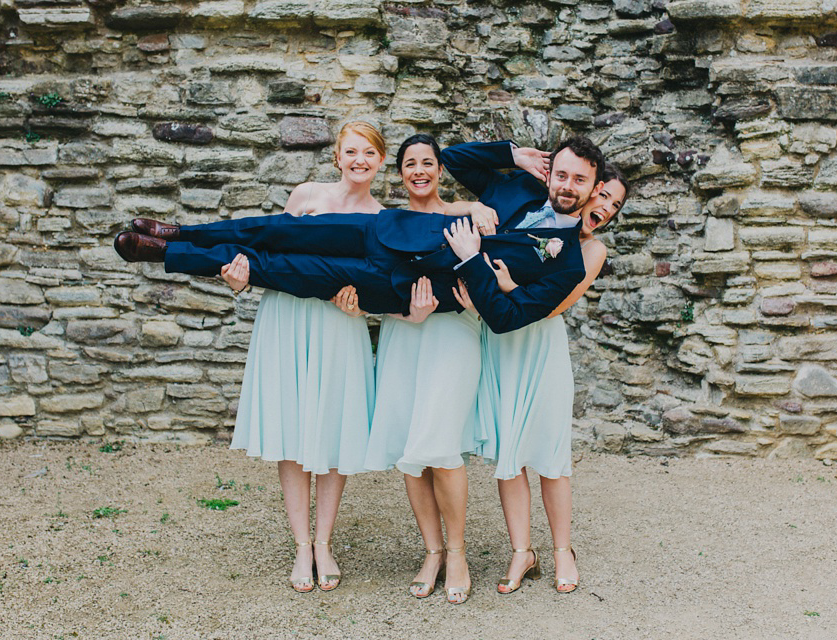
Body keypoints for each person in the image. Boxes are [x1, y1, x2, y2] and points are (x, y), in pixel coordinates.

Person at [113, 136, 607, 334]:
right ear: (550, 174)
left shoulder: (569, 265)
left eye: (578, 180)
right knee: (278, 231)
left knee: (283, 269)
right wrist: (513, 152)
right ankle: (182, 230)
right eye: (560, 174)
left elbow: (507, 318)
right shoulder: (518, 188)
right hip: (387, 231)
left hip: (400, 287)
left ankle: (165, 254)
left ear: (591, 189)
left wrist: (474, 260)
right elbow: (452, 158)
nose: (567, 185)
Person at [228, 121, 386, 594]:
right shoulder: (306, 196)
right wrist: (241, 277)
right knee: (294, 429)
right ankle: (301, 545)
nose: (360, 160)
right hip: (288, 320)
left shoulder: (383, 217)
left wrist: (364, 303)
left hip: (340, 325)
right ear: (337, 157)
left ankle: (324, 542)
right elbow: (269, 254)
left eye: (369, 153)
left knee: (333, 430)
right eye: (351, 151)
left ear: (380, 161)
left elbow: (379, 286)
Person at [336, 134, 492, 604]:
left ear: (440, 170)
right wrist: (391, 312)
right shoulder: (386, 223)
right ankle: (432, 551)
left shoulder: (468, 217)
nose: (419, 170)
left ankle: (459, 552)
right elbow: (376, 288)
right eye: (410, 164)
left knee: (441, 443)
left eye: (428, 162)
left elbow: (488, 274)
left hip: (454, 334)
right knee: (411, 445)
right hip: (405, 335)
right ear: (399, 172)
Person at [472, 164, 629, 596]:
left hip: (541, 347)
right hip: (500, 344)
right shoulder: (536, 217)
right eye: (604, 196)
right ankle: (522, 551)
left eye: (615, 205)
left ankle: (563, 550)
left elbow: (556, 305)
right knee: (510, 450)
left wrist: (505, 288)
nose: (607, 208)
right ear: (588, 192)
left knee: (552, 453)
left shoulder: (592, 250)